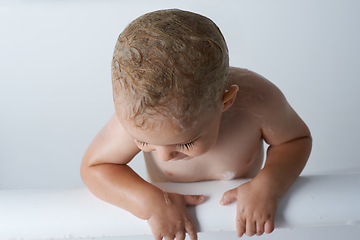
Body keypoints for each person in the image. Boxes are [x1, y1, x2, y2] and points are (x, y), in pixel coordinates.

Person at [81, 9, 312, 240]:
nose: (162, 157)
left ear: (226, 101)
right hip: (177, 223)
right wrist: (150, 203)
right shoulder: (139, 115)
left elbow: (294, 140)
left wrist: (268, 185)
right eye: (143, 142)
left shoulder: (257, 101)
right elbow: (94, 167)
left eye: (186, 142)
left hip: (243, 225)